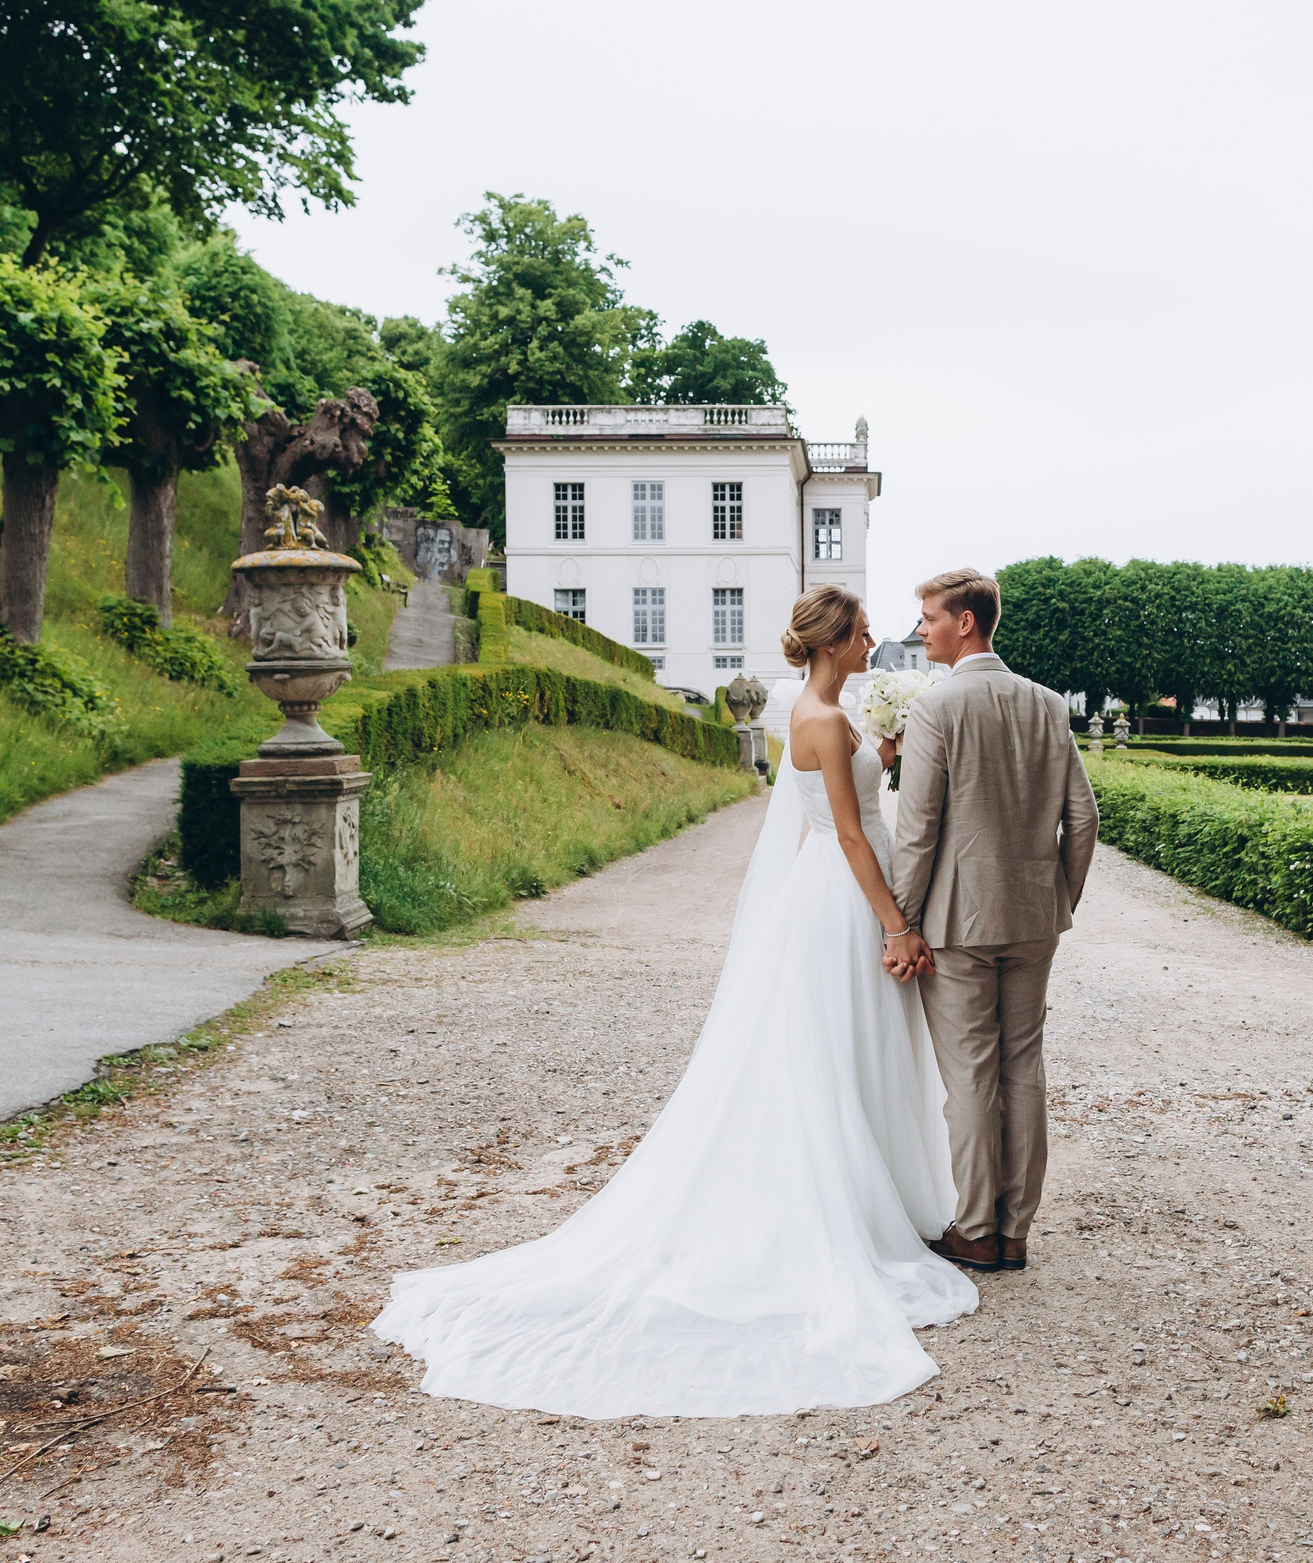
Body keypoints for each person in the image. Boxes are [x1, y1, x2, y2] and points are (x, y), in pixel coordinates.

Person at [371, 585, 974, 1418]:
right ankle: (850, 1211)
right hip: (845, 896)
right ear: (833, 641)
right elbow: (843, 833)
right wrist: (895, 925)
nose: (875, 644)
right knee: (840, 1049)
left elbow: (842, 812)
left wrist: (887, 750)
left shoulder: (825, 715)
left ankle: (881, 1198)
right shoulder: (820, 720)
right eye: (864, 633)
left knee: (850, 1046)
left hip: (835, 891)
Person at [880, 568, 1099, 1274]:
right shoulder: (1048, 704)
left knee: (972, 1077)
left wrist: (901, 924)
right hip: (1034, 919)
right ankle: (1015, 1232)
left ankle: (975, 1231)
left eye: (929, 618)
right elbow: (1083, 818)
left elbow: (918, 830)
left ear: (965, 622)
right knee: (1023, 1068)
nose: (921, 630)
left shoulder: (937, 708)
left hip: (957, 924)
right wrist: (1057, 899)